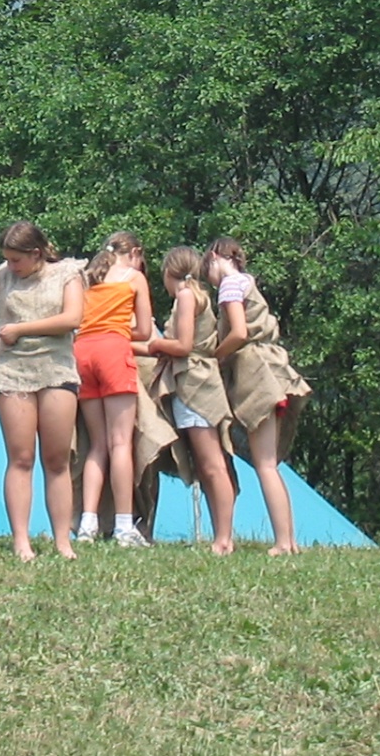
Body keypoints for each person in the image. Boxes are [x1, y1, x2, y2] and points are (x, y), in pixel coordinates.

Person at [0, 221, 84, 560]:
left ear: (36, 254)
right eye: (7, 259)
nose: (12, 266)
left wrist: (22, 329)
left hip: (56, 371)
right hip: (12, 373)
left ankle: (62, 541)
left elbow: (72, 318)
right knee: (20, 458)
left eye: (16, 260)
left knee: (56, 459)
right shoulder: (1, 277)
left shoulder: (67, 274)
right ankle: (21, 541)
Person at [205, 237, 311, 555]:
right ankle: (288, 540)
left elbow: (238, 332)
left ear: (214, 257)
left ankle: (283, 541)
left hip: (257, 376)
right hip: (275, 369)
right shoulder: (248, 282)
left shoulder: (229, 285)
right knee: (269, 464)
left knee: (265, 464)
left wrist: (216, 356)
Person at [148, 246, 235, 554]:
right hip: (191, 381)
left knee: (212, 464)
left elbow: (183, 345)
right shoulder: (197, 295)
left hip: (196, 384)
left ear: (170, 273)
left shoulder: (185, 296)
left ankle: (224, 537)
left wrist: (157, 342)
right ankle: (220, 535)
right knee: (206, 464)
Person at [74, 231, 154, 548]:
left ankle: (87, 524)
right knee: (121, 443)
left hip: (82, 354)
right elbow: (145, 330)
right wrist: (120, 329)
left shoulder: (88, 278)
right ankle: (123, 525)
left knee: (97, 445)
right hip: (113, 352)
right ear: (135, 252)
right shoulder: (134, 278)